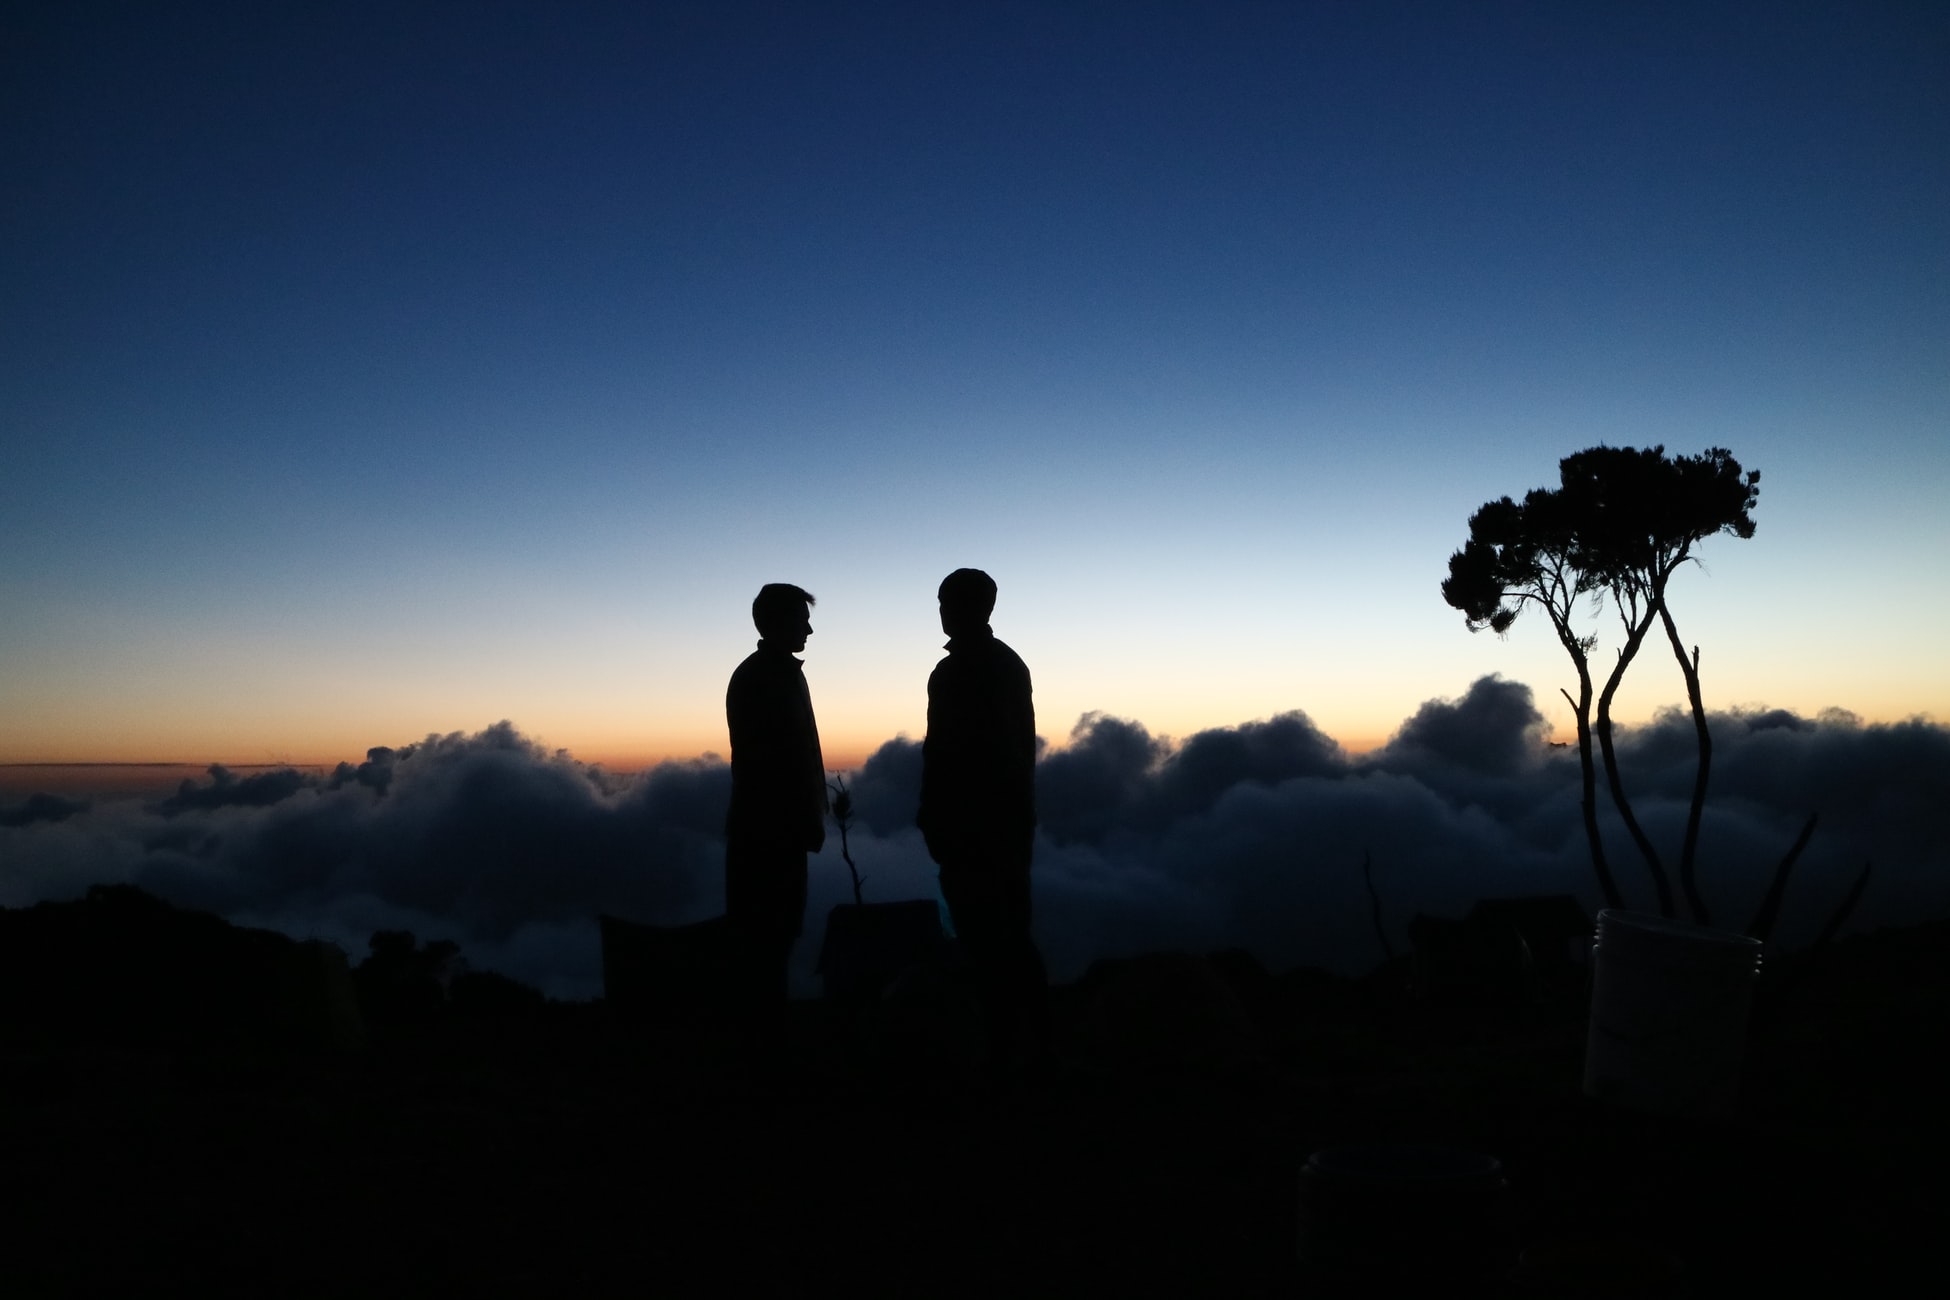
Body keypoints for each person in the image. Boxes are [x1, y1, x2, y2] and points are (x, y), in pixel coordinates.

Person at [918, 568, 1051, 1080]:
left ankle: (1017, 1052)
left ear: (979, 607)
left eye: (948, 602)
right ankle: (1022, 1047)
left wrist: (943, 816)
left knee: (1001, 938)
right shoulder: (976, 668)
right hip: (985, 828)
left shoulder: (981, 670)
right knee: (993, 938)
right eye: (942, 602)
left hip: (984, 830)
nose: (943, 612)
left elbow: (983, 756)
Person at [724, 583, 826, 1046]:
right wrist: (803, 818)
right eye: (801, 619)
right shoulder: (766, 677)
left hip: (770, 830)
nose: (809, 627)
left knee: (772, 940)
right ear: (778, 622)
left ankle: (765, 1042)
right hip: (769, 834)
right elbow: (775, 763)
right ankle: (765, 1049)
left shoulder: (775, 673)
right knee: (767, 940)